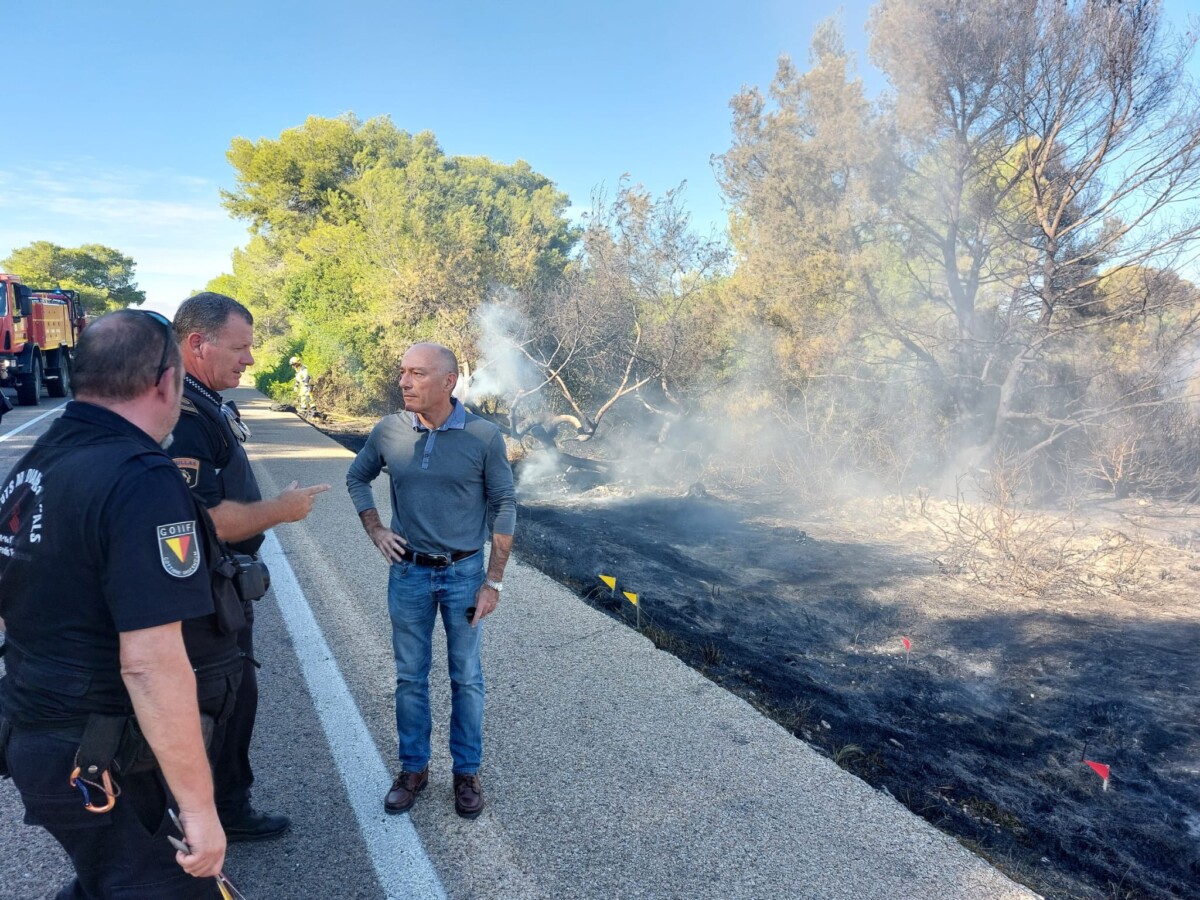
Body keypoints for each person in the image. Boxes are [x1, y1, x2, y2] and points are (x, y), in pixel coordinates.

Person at [0, 310, 235, 898]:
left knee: (110, 880)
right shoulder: (142, 479)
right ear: (165, 382)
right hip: (97, 751)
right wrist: (200, 809)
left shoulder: (35, 464)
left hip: (39, 734)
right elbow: (150, 664)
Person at [169, 292, 330, 842]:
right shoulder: (184, 417)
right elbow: (202, 521)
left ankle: (223, 807)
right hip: (204, 592)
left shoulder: (202, 400)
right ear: (197, 343)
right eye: (240, 348)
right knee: (221, 700)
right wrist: (281, 511)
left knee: (236, 698)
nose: (251, 361)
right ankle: (208, 817)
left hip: (223, 587)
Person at [346, 342, 515, 819]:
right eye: (402, 372)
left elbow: (504, 504)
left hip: (464, 574)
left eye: (417, 374)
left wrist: (493, 581)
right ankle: (413, 769)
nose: (403, 382)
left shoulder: (483, 437)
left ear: (448, 382)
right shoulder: (389, 431)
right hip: (409, 576)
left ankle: (467, 772)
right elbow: (357, 478)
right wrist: (376, 528)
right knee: (409, 677)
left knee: (466, 677)